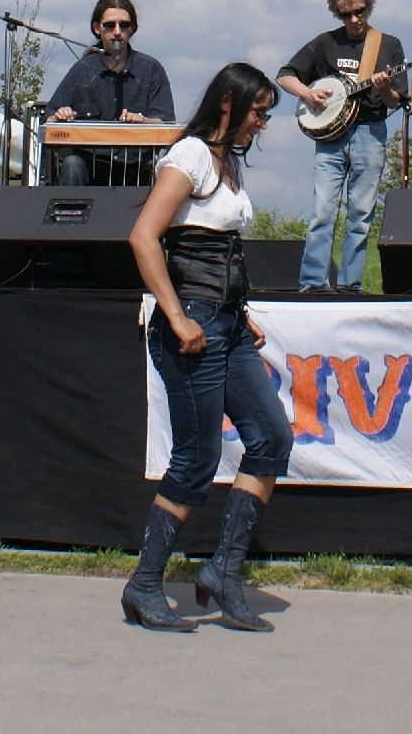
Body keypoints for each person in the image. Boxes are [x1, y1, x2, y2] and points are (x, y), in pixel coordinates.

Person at [124, 62, 293, 633]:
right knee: (195, 458)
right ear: (228, 103)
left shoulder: (228, 163)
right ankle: (144, 585)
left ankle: (223, 569)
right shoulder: (192, 154)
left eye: (267, 113)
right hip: (189, 325)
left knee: (271, 436)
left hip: (225, 322)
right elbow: (144, 236)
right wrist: (174, 316)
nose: (263, 123)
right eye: (258, 111)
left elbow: (219, 253)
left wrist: (242, 316)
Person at [277, 0, 406, 293]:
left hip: (370, 132)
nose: (354, 20)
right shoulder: (325, 43)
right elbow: (284, 76)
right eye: (346, 14)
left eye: (360, 12)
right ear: (338, 13)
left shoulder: (388, 45)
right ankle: (313, 283)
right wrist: (309, 95)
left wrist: (385, 87)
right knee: (322, 212)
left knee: (360, 216)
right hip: (330, 137)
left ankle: (350, 285)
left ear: (368, 8)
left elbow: (397, 100)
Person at [45, 0, 176, 185]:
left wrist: (144, 121)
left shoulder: (151, 69)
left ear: (132, 29)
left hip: (137, 166)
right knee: (72, 165)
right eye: (110, 25)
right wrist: (60, 116)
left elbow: (166, 123)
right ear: (97, 28)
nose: (117, 31)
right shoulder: (83, 69)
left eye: (124, 25)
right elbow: (49, 118)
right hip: (91, 165)